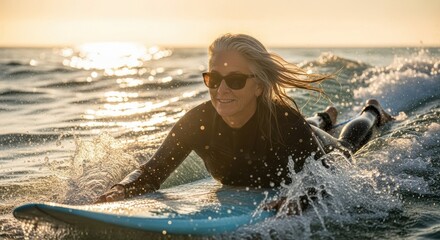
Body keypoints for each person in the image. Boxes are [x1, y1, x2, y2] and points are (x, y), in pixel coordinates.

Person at [95, 34, 393, 211]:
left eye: (235, 80)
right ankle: (327, 117)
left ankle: (370, 111)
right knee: (312, 124)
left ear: (258, 86)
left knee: (343, 147)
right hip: (299, 130)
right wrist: (122, 188)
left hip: (319, 146)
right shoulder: (197, 122)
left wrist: (300, 198)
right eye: (213, 79)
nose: (221, 90)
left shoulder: (284, 122)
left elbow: (325, 173)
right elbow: (152, 171)